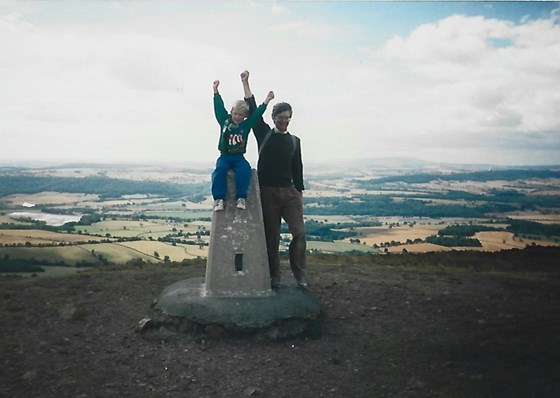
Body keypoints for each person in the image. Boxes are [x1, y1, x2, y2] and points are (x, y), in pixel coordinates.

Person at [240, 70, 308, 289]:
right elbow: (251, 108)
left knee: (299, 233)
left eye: (287, 118)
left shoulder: (295, 141)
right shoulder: (264, 133)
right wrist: (246, 82)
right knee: (272, 238)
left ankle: (300, 275)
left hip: (290, 194)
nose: (284, 121)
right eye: (280, 118)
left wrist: (299, 193)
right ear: (273, 118)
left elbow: (298, 170)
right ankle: (275, 276)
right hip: (268, 192)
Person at [211, 79, 274, 212]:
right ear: (231, 111)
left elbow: (257, 115)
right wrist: (216, 92)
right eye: (235, 114)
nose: (237, 117)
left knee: (245, 171)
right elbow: (218, 107)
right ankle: (219, 199)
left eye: (240, 115)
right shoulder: (225, 120)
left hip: (239, 157)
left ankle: (241, 198)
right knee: (219, 172)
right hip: (225, 156)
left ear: (245, 116)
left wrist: (266, 101)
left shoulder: (246, 125)